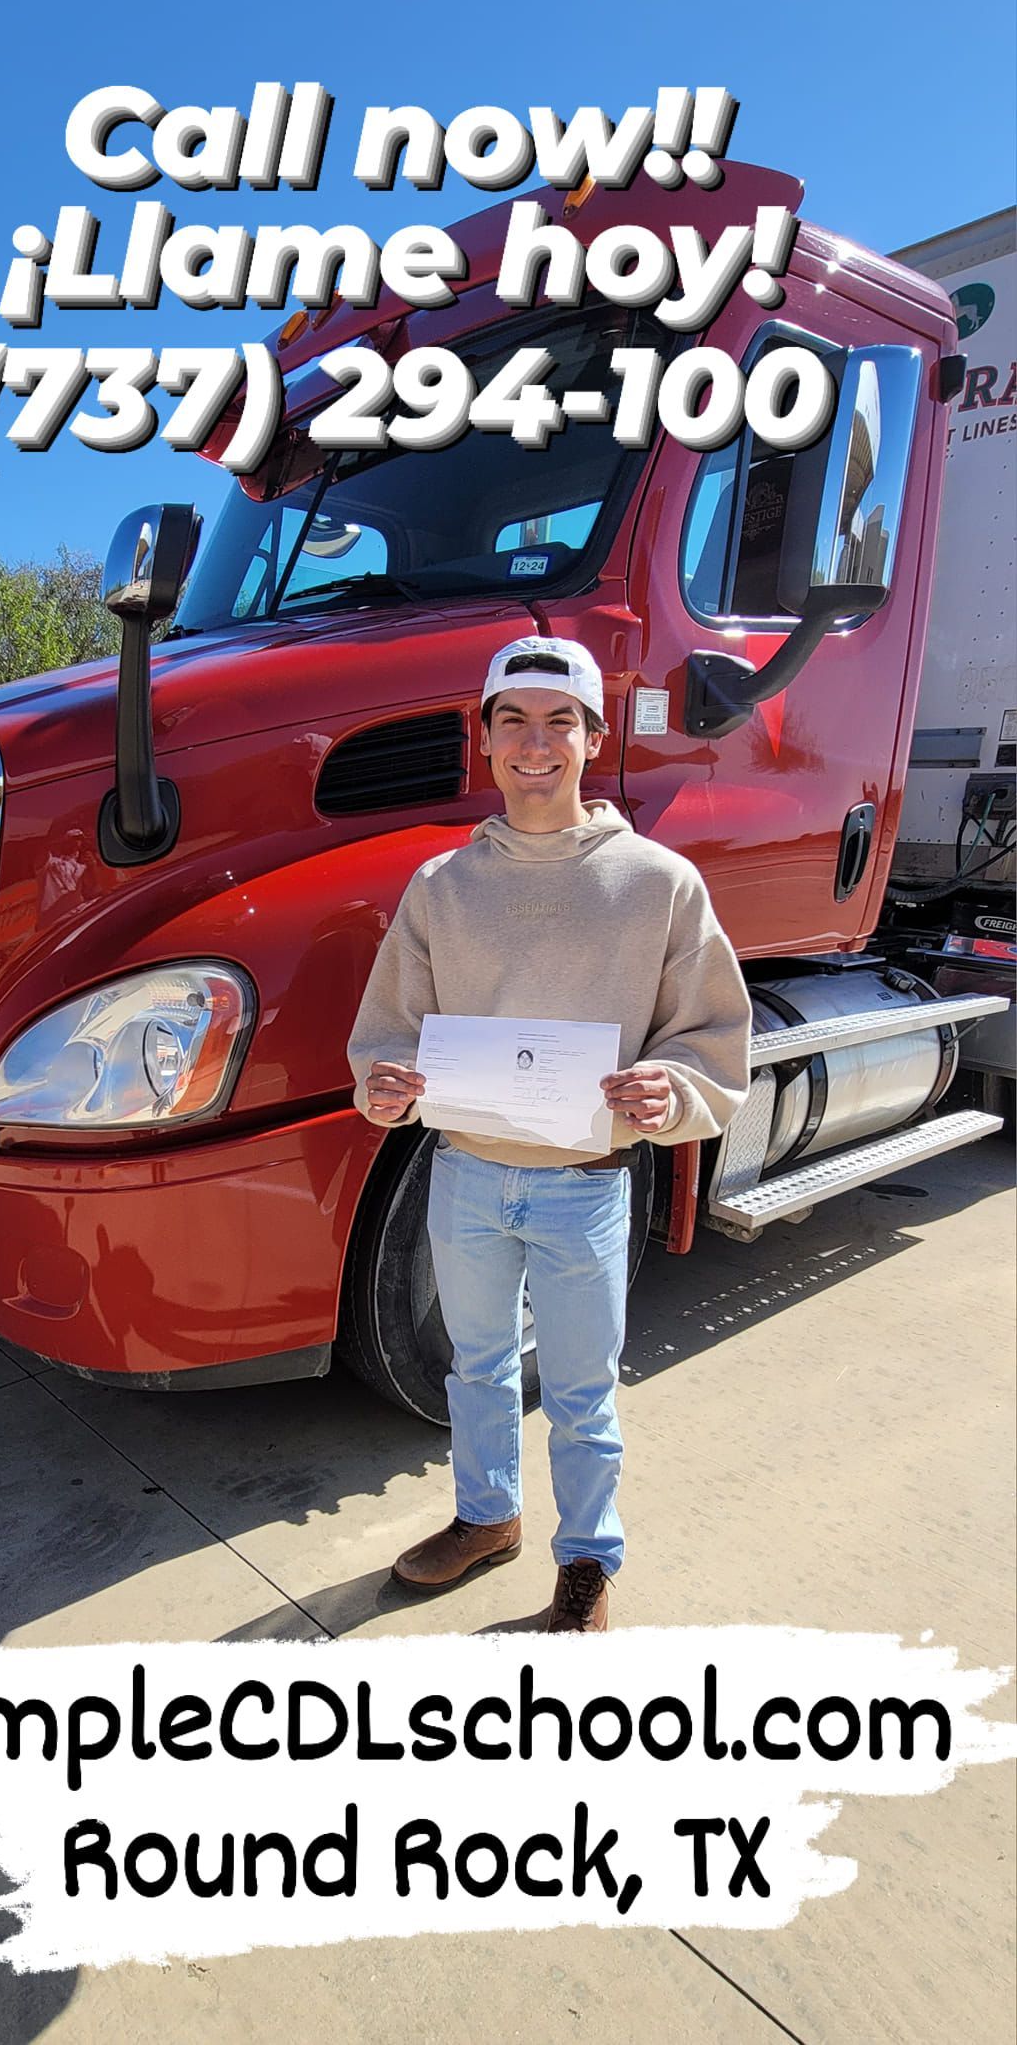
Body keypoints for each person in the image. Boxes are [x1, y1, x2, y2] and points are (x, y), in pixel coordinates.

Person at [346, 637, 753, 1632]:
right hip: (465, 1176)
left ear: (594, 737)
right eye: (514, 721)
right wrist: (385, 1086)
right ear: (484, 743)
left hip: (584, 1184)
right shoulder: (442, 886)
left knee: (579, 1391)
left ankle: (587, 1566)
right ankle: (488, 1517)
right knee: (475, 1368)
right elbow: (386, 1031)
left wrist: (672, 1088)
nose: (537, 744)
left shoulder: (658, 883)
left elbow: (713, 1039)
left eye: (559, 720)